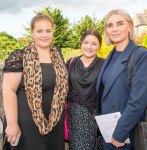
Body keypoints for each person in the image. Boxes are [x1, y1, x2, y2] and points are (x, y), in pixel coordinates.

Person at [2, 13, 68, 150]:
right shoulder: (20, 56)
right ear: (32, 32)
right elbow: (8, 90)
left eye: (48, 30)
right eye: (39, 31)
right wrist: (12, 123)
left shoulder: (58, 53)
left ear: (52, 32)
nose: (44, 35)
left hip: (54, 121)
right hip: (27, 124)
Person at [96, 9, 147, 150]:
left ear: (130, 26)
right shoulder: (111, 55)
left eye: (119, 24)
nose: (114, 29)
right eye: (110, 25)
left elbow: (138, 100)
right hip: (109, 129)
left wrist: (120, 133)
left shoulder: (141, 55)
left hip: (126, 132)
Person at [67, 29, 104, 150]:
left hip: (96, 116)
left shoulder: (104, 65)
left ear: (99, 46)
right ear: (81, 43)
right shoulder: (71, 63)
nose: (89, 47)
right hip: (75, 116)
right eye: (86, 42)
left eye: (94, 43)